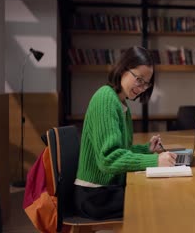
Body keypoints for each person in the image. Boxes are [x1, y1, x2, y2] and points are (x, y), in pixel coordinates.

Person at [74, 46, 177, 220]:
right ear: (123, 69)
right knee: (160, 200)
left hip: (105, 189)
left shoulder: (120, 103)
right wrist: (155, 160)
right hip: (94, 194)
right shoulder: (105, 98)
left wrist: (146, 150)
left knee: (160, 193)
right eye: (139, 79)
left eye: (147, 83)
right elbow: (109, 159)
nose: (142, 87)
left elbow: (121, 151)